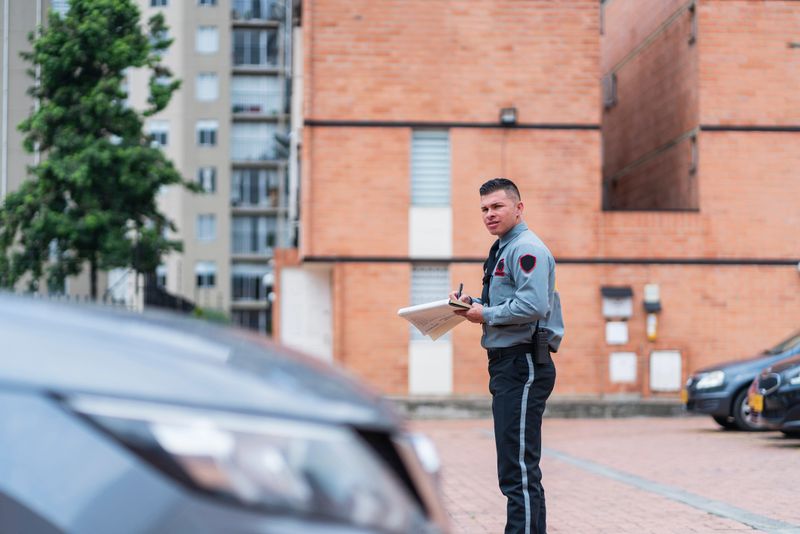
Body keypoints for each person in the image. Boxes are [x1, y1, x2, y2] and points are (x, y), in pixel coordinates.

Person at [450, 178, 564, 534]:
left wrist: (484, 314)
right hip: (507, 364)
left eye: (497, 206)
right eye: (484, 209)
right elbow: (508, 302)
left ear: (519, 208)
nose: (489, 214)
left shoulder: (526, 249)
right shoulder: (503, 248)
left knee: (518, 470)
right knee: (517, 468)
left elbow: (533, 305)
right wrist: (472, 304)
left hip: (523, 362)